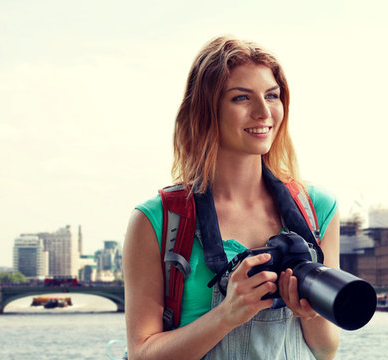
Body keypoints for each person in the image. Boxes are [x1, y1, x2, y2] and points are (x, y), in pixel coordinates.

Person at [123, 36, 340, 360]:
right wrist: (227, 314)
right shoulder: (158, 220)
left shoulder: (317, 209)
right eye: (241, 98)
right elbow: (142, 353)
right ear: (206, 110)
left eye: (272, 96)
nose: (263, 112)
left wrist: (307, 311)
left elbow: (325, 348)